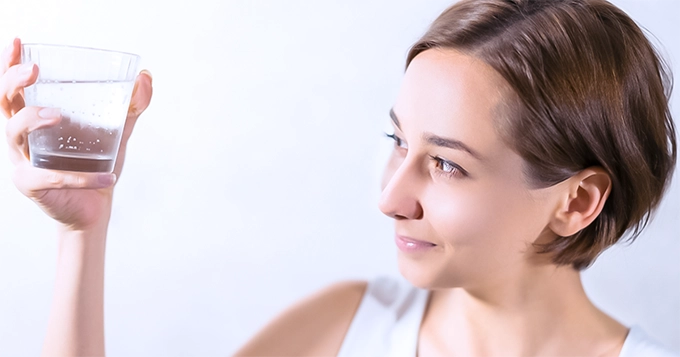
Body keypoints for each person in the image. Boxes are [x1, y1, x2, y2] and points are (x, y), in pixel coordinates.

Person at [2, 0, 678, 356]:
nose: (389, 198)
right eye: (398, 141)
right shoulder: (348, 327)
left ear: (578, 200)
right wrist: (83, 231)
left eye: (447, 163)